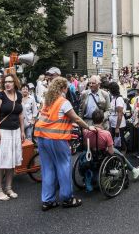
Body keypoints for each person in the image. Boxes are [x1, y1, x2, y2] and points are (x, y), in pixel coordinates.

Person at [34, 76, 94, 211]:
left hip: (42, 138)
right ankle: (67, 198)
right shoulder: (63, 102)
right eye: (66, 88)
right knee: (63, 167)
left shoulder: (47, 101)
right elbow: (76, 118)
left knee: (48, 168)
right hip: (57, 139)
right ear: (63, 88)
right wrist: (88, 127)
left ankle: (47, 201)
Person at [0, 74, 24, 201]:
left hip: (15, 132)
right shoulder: (0, 95)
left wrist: (22, 131)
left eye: (10, 82)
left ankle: (8, 187)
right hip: (3, 132)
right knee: (0, 162)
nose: (8, 84)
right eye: (6, 82)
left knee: (12, 161)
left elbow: (20, 113)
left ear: (15, 83)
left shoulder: (19, 95)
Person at [82, 109, 139, 179]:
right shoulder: (106, 133)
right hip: (103, 154)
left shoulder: (86, 132)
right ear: (102, 120)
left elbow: (85, 145)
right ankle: (133, 170)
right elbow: (111, 152)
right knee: (119, 153)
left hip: (91, 154)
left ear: (92, 119)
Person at [107, 82, 127, 150]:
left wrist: (117, 128)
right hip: (113, 124)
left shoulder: (119, 99)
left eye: (109, 89)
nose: (108, 91)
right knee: (116, 142)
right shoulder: (113, 98)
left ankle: (122, 158)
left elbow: (120, 114)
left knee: (120, 143)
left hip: (119, 125)